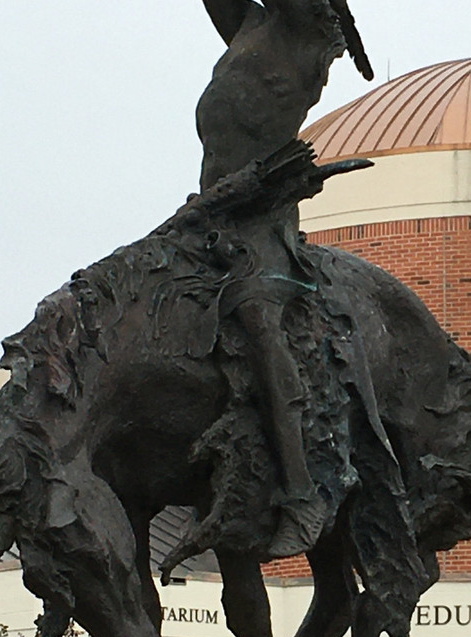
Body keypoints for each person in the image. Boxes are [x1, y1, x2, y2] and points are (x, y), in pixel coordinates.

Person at [196, 0, 373, 554]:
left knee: (261, 324)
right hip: (204, 218)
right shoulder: (250, 24)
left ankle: (301, 491)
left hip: (262, 224)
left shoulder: (305, 58)